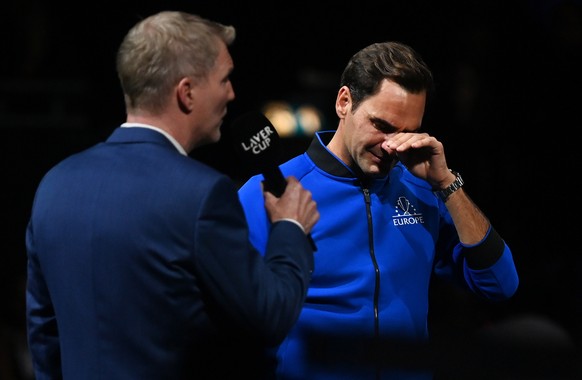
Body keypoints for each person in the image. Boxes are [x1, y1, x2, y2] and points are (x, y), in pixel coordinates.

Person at [25, 10, 319, 380]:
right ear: (187, 92)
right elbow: (267, 318)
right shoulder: (203, 194)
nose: (232, 93)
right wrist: (290, 228)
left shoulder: (54, 184)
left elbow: (44, 334)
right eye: (225, 79)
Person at [237, 41, 520, 379]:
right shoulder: (267, 191)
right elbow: (233, 322)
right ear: (344, 102)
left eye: (407, 132)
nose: (391, 146)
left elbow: (500, 284)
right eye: (382, 126)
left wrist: (446, 184)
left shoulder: (424, 190)